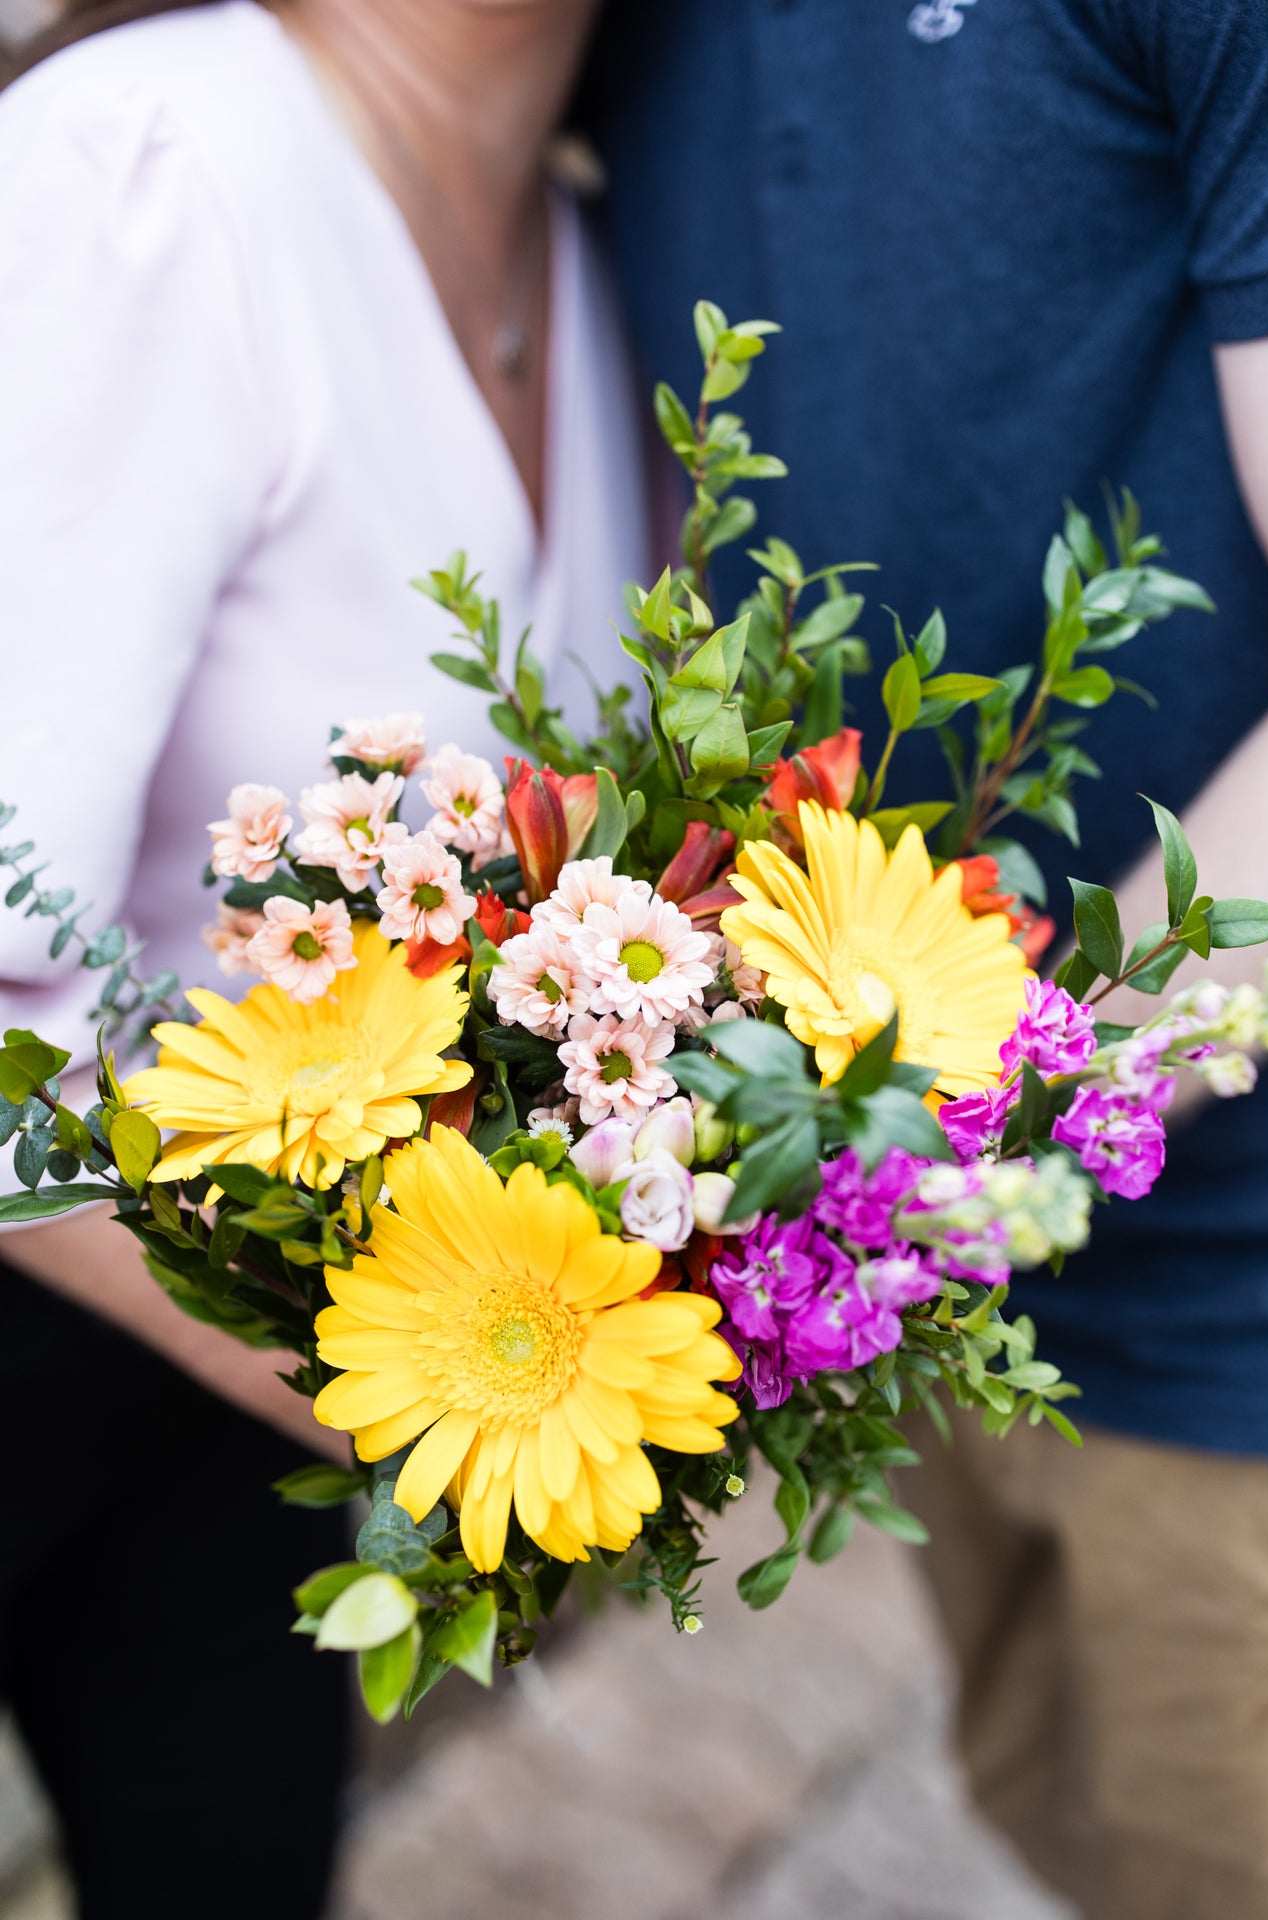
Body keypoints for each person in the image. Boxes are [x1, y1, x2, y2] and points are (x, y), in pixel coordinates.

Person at [586, 6, 1268, 1917]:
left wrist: (1002, 1135)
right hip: (931, 1281)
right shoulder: (599, 31)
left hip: (1230, 1297)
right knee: (1072, 1818)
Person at [0, 2, 647, 1914]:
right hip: (122, 1277)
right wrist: (443, 1388)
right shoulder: (153, 175)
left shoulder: (605, 279)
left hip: (250, 1368)